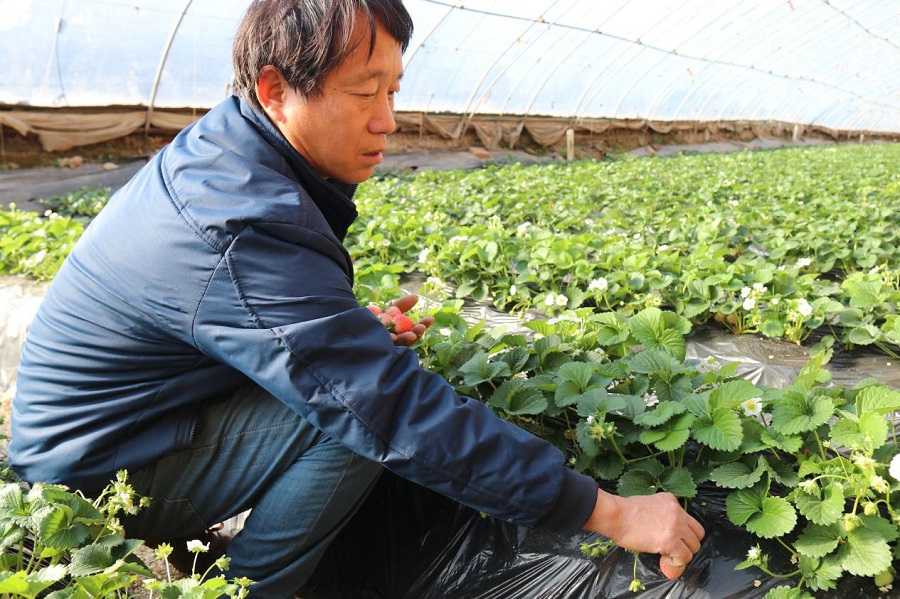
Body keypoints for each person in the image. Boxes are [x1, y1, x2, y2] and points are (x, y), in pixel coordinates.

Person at [9, 1, 704, 597]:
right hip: (87, 484)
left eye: (394, 91)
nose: (387, 121)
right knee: (353, 418)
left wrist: (343, 333)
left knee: (350, 384)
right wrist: (610, 511)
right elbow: (384, 406)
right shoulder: (237, 219)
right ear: (276, 89)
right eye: (364, 91)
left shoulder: (230, 157)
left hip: (123, 431)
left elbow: (226, 316)